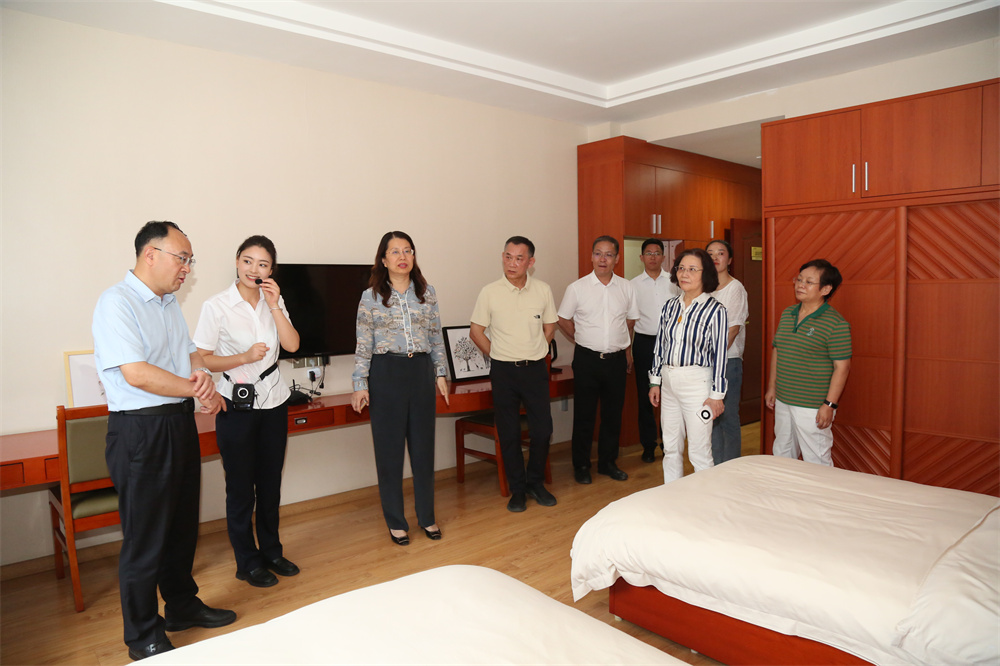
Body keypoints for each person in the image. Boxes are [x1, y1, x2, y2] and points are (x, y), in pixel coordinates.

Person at [92, 221, 234, 661]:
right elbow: (136, 373)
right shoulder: (116, 302)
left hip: (177, 424)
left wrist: (203, 379)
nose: (187, 268)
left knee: (180, 529)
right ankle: (143, 636)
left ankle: (182, 607)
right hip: (141, 431)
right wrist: (196, 389)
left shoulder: (169, 303)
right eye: (182, 258)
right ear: (149, 254)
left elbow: (188, 355)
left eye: (190, 260)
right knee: (146, 539)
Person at [192, 236, 301, 588]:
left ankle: (272, 551)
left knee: (270, 485)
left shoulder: (274, 300)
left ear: (271, 270)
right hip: (235, 405)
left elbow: (292, 344)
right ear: (237, 261)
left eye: (263, 264)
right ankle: (247, 561)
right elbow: (202, 358)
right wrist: (243, 357)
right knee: (241, 489)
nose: (254, 269)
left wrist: (274, 306)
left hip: (274, 402)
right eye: (248, 261)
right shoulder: (217, 305)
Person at [351, 231, 449, 545]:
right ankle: (396, 522)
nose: (402, 257)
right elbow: (363, 343)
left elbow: (435, 336)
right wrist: (359, 383)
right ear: (383, 259)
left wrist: (441, 373)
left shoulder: (427, 293)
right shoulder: (370, 297)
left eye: (408, 250)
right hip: (386, 373)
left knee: (423, 450)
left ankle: (427, 517)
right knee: (389, 452)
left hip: (420, 371)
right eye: (395, 251)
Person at [470, 236, 559, 512]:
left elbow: (550, 326)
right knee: (508, 433)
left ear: (530, 262)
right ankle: (518, 490)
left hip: (535, 369)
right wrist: (497, 353)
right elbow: (476, 331)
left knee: (542, 430)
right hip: (504, 371)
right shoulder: (490, 292)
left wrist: (538, 349)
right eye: (508, 257)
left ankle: (536, 483)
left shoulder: (543, 290)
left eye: (519, 258)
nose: (512, 263)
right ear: (503, 257)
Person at [557, 235, 638, 484]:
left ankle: (607, 463)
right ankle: (581, 465)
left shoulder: (626, 287)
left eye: (609, 254)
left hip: (616, 360)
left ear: (617, 258)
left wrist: (626, 349)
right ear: (591, 257)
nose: (603, 259)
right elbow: (563, 319)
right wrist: (580, 337)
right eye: (598, 253)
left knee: (612, 415)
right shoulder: (577, 288)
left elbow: (630, 321)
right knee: (585, 416)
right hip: (587, 360)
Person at [648, 248, 728, 483]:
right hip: (668, 381)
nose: (684, 274)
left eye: (692, 269)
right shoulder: (670, 306)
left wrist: (717, 396)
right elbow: (660, 346)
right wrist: (655, 382)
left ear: (706, 274)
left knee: (699, 452)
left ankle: (704, 502)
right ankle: (673, 496)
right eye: (681, 268)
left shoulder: (715, 310)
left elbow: (720, 356)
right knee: (671, 448)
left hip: (697, 384)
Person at [765, 259, 852, 466]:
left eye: (809, 282)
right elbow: (778, 350)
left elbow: (842, 367)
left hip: (812, 404)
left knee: (816, 459)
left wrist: (829, 405)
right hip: (784, 398)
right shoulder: (788, 314)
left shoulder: (836, 323)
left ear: (826, 289)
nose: (800, 285)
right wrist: (772, 387)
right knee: (782, 452)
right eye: (799, 279)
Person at [630, 238, 680, 463]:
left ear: (663, 257)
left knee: (669, 395)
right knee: (645, 396)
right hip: (644, 343)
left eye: (657, 252)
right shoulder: (632, 285)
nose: (653, 257)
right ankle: (648, 445)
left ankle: (669, 444)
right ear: (641, 257)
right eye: (648, 253)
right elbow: (628, 321)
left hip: (670, 344)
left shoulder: (674, 282)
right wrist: (628, 350)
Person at [706, 240, 749, 464]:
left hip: (727, 362)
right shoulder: (702, 288)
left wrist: (715, 359)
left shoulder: (735, 288)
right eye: (710, 253)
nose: (715, 257)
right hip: (705, 363)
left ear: (729, 259)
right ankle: (714, 466)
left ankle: (731, 467)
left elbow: (732, 330)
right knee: (710, 418)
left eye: (720, 253)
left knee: (728, 417)